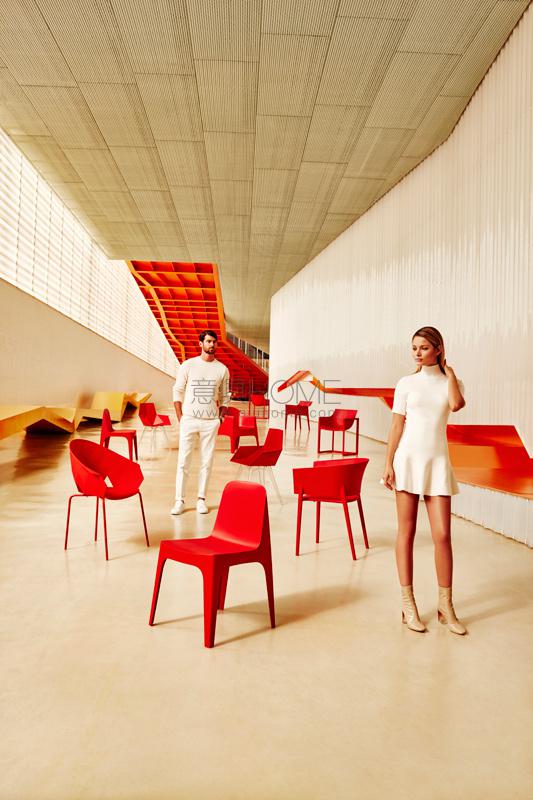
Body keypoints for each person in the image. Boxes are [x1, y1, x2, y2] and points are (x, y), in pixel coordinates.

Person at [381, 326, 467, 634]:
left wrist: (450, 374)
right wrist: (388, 463)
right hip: (407, 461)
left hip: (437, 463)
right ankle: (408, 606)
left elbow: (456, 405)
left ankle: (446, 607)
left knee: (442, 535)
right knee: (406, 532)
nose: (417, 353)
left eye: (424, 347)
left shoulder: (451, 383)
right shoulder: (406, 383)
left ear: (438, 349)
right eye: (414, 347)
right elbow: (396, 426)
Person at [171, 330, 230, 515]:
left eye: (214, 342)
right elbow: (177, 391)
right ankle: (179, 501)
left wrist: (220, 418)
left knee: (207, 462)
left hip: (210, 422)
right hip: (189, 419)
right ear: (201, 344)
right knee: (183, 461)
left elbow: (225, 397)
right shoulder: (188, 365)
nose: (212, 345)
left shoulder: (222, 369)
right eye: (208, 341)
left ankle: (201, 499)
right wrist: (180, 417)